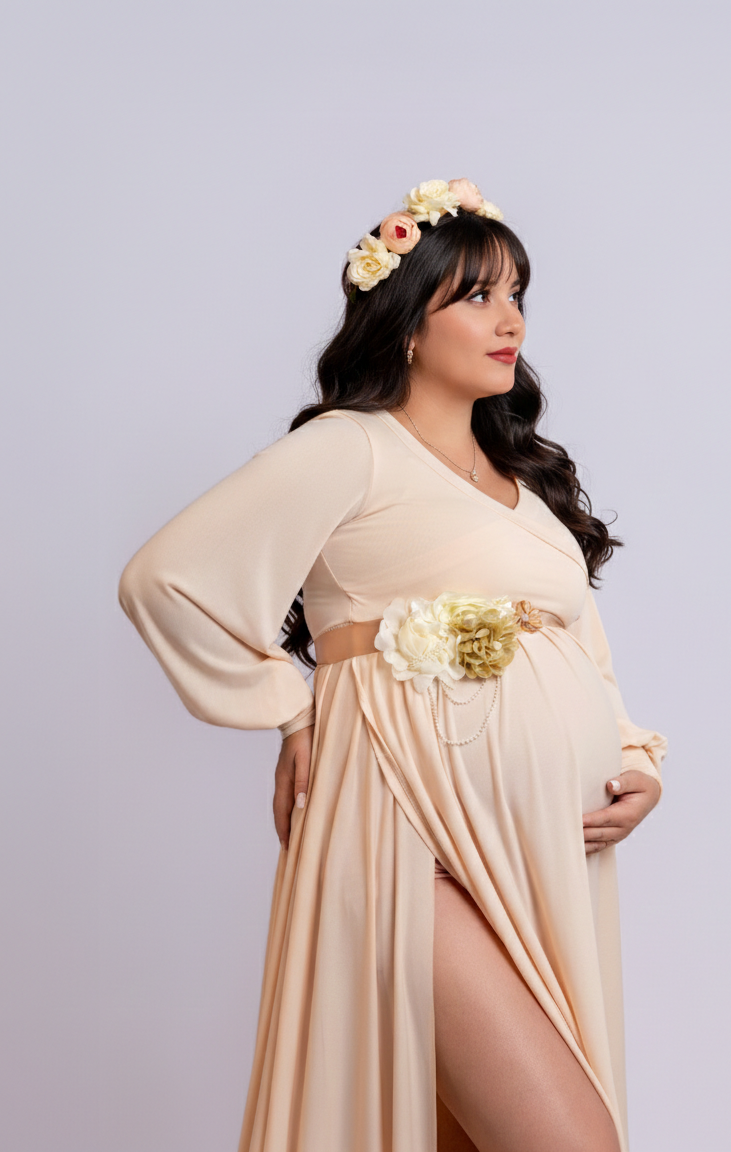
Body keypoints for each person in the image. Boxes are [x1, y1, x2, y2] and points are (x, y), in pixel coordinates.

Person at [118, 177, 668, 1152]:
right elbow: (166, 578)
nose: (510, 320)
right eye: (477, 296)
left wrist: (632, 761)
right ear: (408, 322)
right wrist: (289, 709)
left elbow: (580, 649)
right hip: (401, 832)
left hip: (535, 853)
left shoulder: (524, 486)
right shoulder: (353, 449)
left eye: (516, 295)